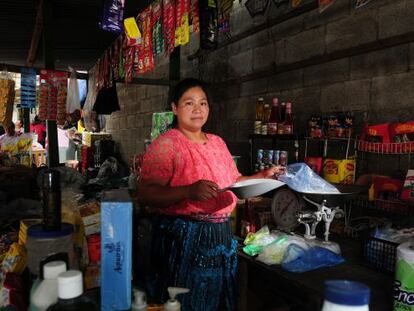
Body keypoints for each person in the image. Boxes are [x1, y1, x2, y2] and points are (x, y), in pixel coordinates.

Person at [137, 78, 285, 311]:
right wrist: (188, 191)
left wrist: (262, 176)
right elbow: (146, 194)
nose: (198, 109)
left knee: (218, 301)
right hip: (183, 239)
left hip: (221, 236)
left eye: (203, 103)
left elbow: (234, 181)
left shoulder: (217, 142)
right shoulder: (166, 145)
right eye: (189, 103)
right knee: (185, 300)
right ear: (175, 108)